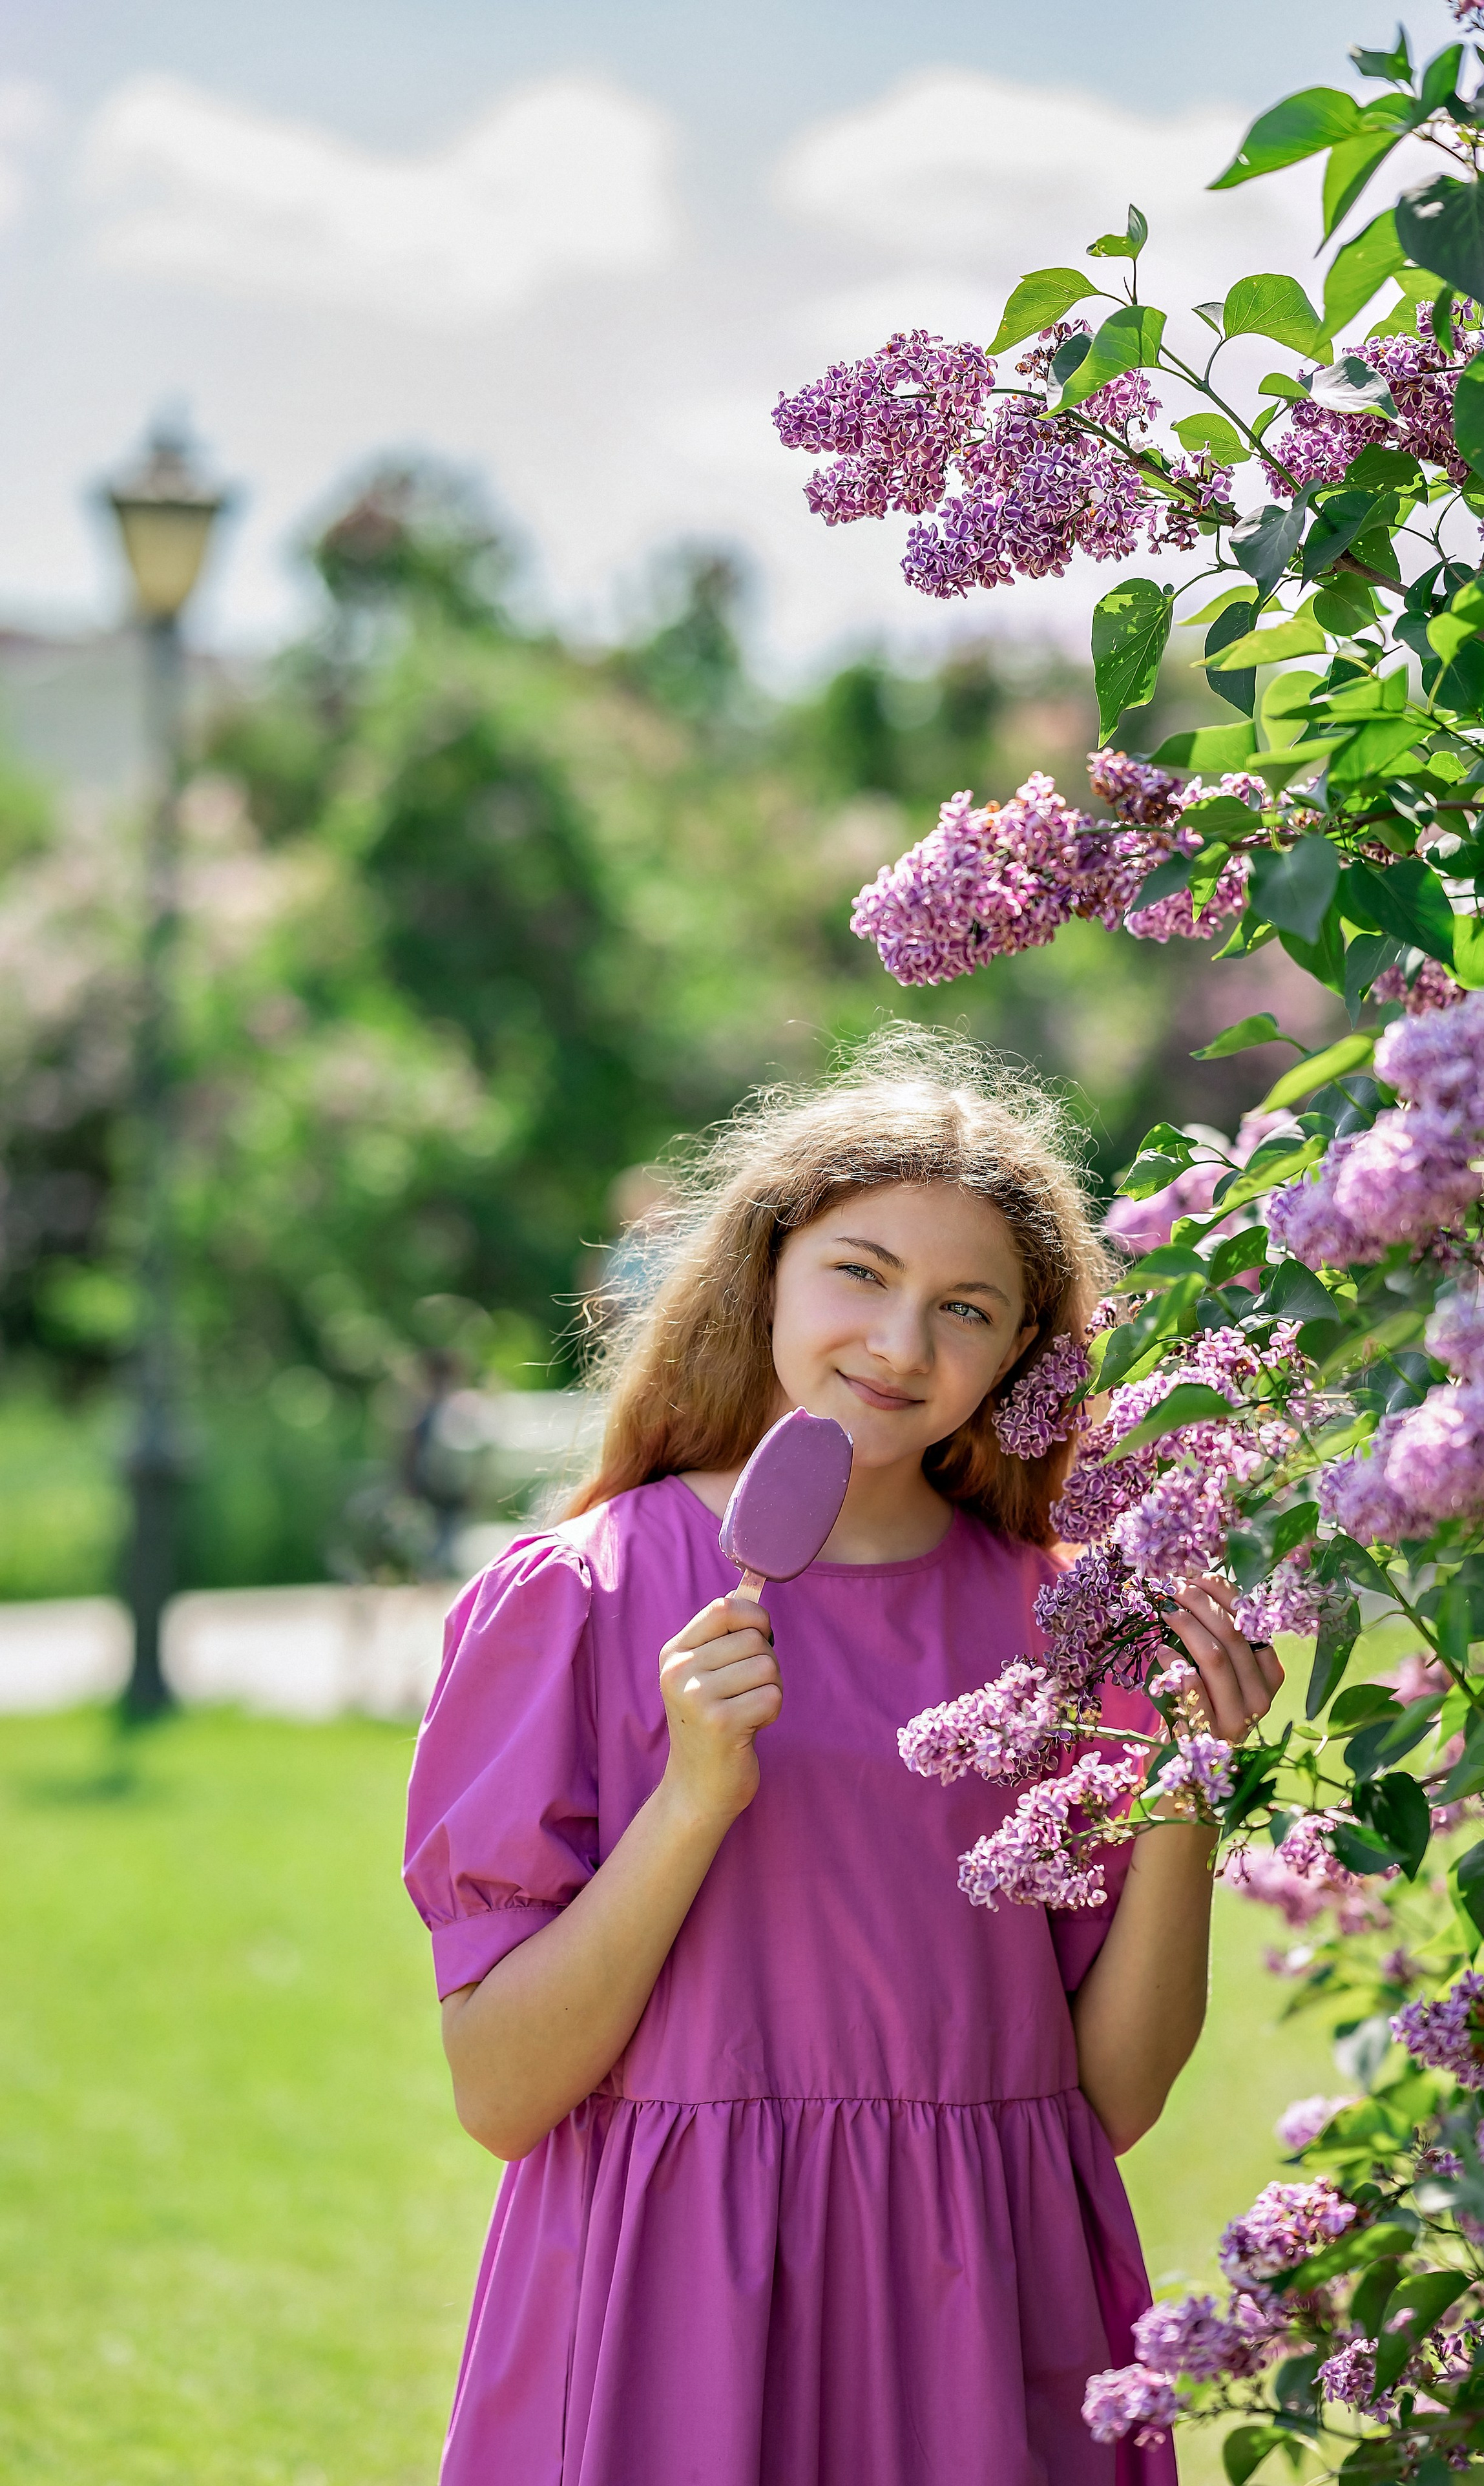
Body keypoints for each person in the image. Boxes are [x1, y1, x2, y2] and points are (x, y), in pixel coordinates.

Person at [403, 1031, 1286, 2486]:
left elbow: (1105, 2104)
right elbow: (500, 2091)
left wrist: (1185, 1779)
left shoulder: (1066, 1627)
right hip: (672, 2311)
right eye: (859, 1274)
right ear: (767, 1270)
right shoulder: (580, 1597)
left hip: (985, 2310)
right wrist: (689, 1801)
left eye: (965, 1309)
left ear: (1021, 1358)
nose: (897, 1345)